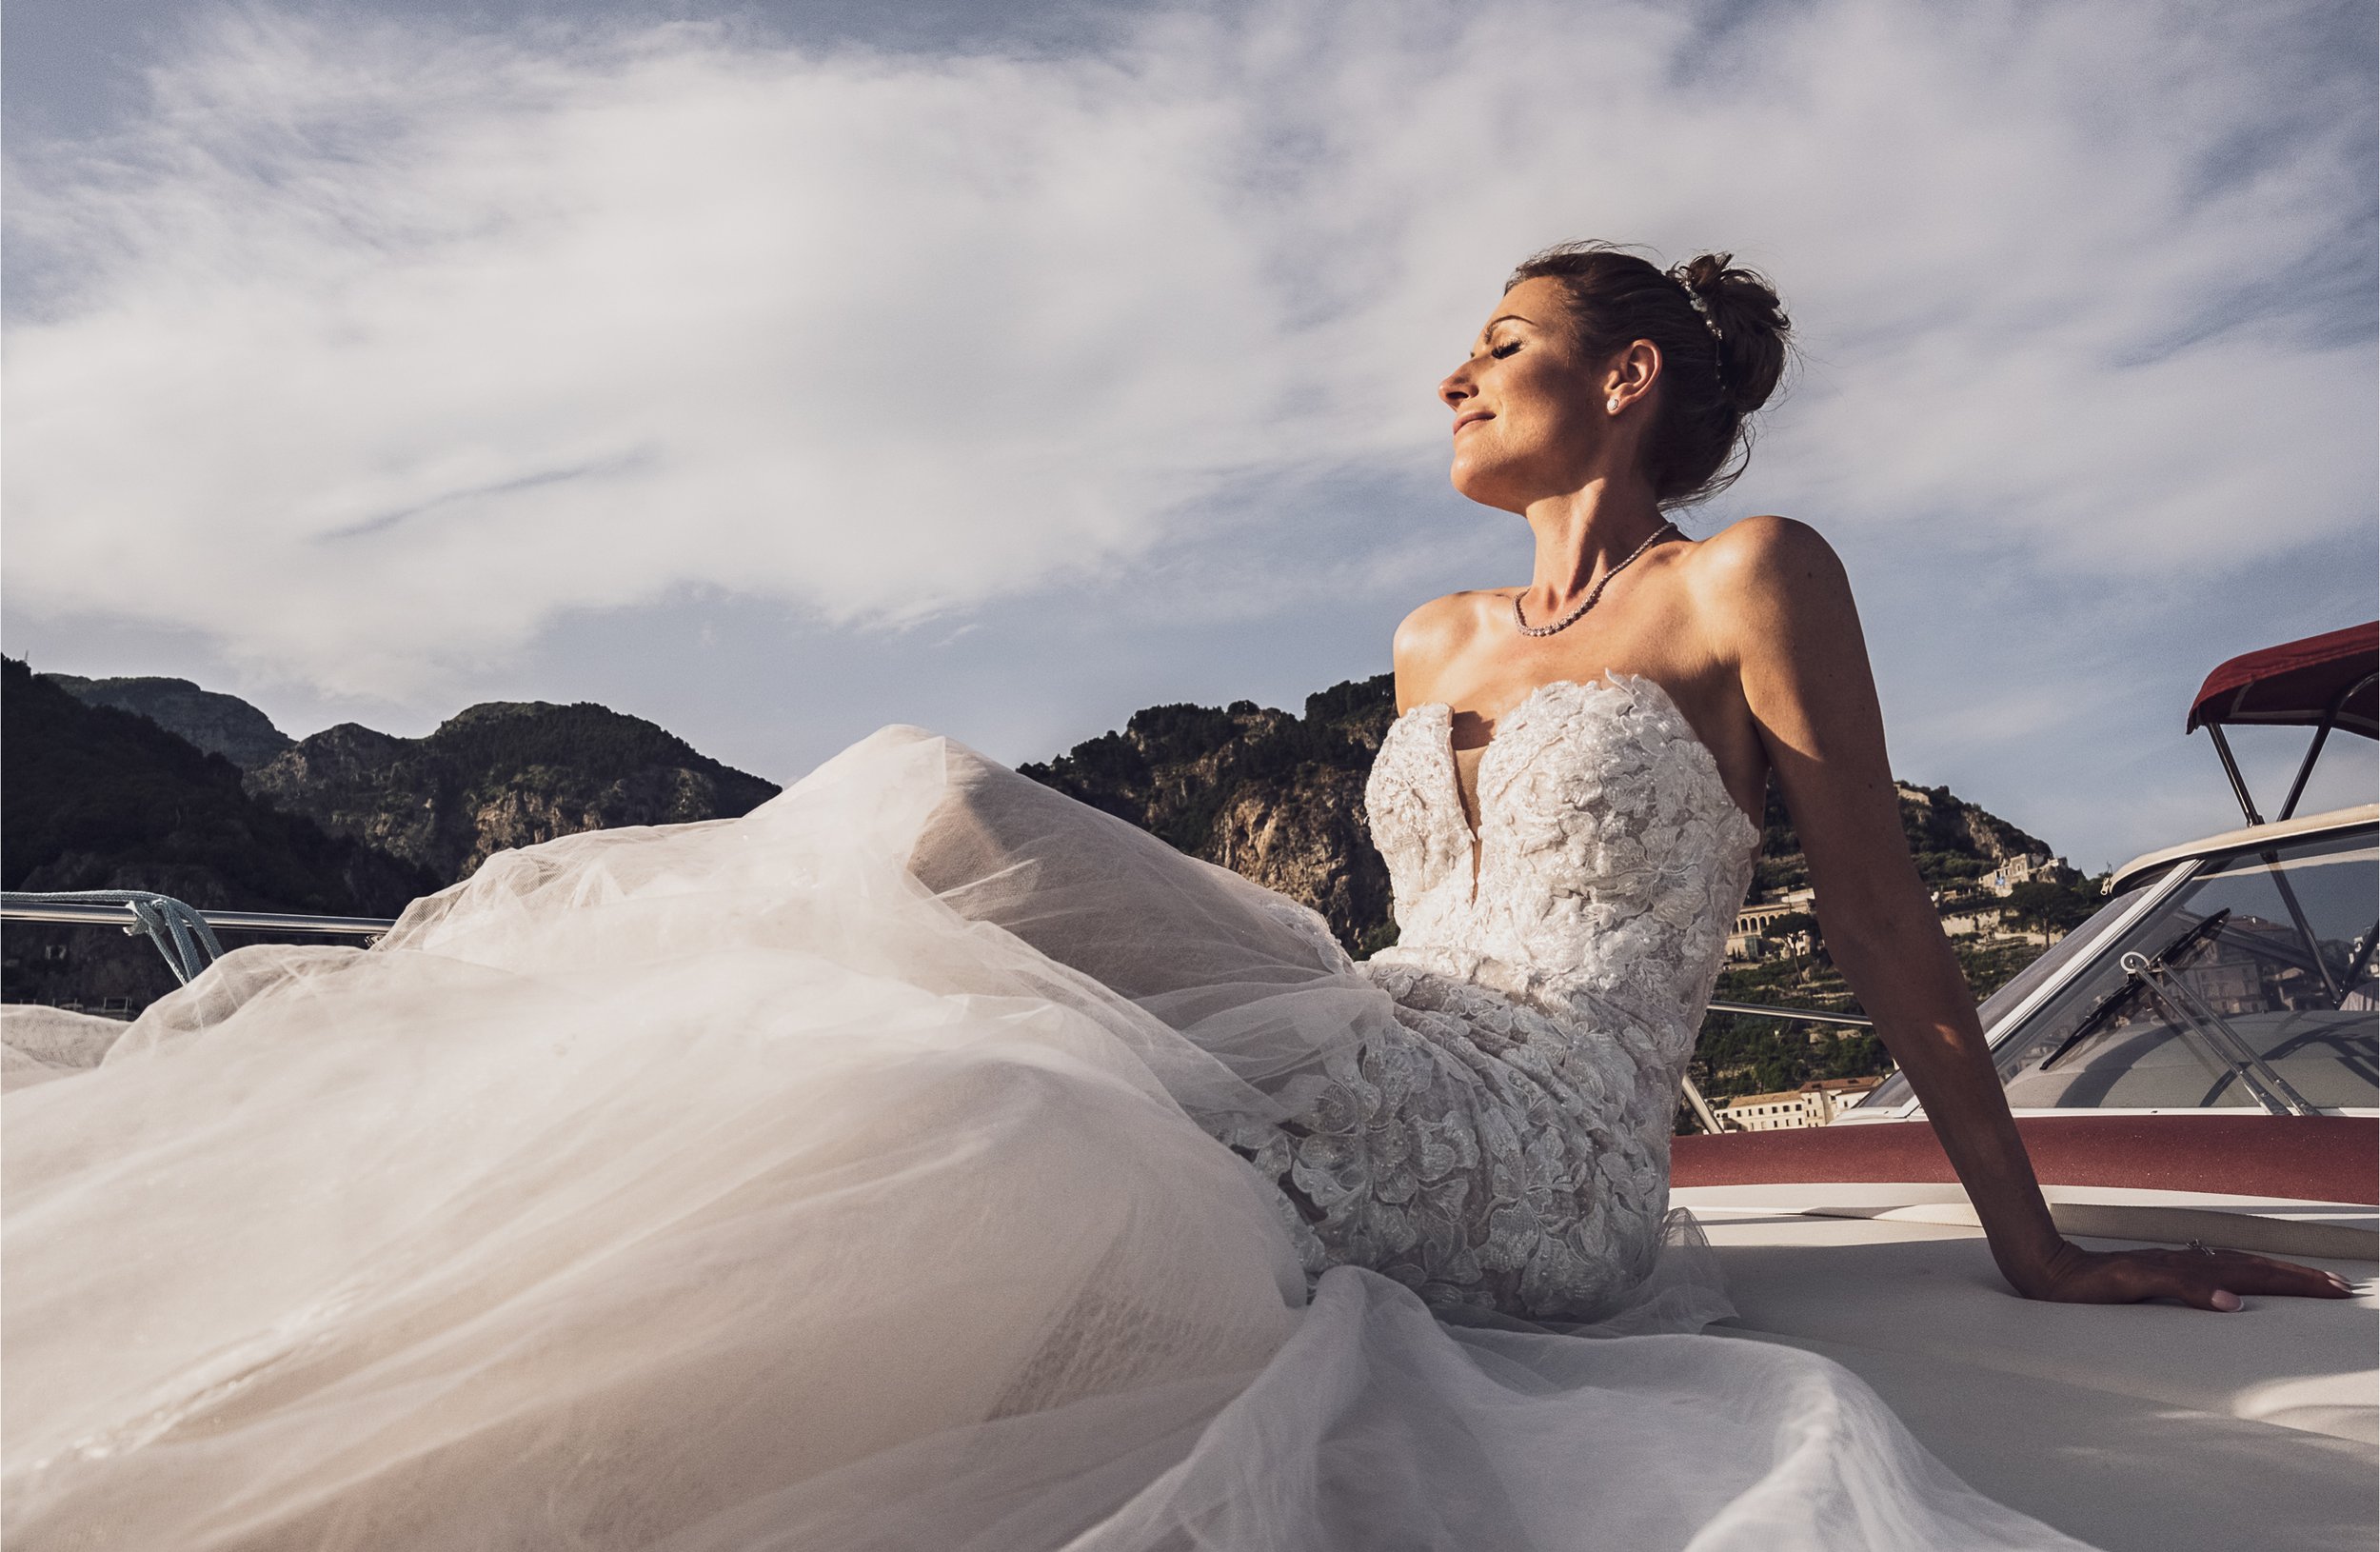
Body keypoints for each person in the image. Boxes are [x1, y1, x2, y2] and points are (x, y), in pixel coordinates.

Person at [2, 243, 2347, 1551]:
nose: (1454, 368)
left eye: (1503, 344)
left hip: (1540, 1132)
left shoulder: (1746, 577)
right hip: (1382, 1013)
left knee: (926, 810)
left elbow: (1878, 930)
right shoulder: (1432, 640)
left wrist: (2033, 1242)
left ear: (1623, 380)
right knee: (929, 1028)